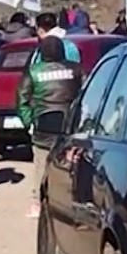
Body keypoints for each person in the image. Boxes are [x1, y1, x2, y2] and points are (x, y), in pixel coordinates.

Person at [17, 35, 83, 218]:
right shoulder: (76, 69)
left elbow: (22, 98)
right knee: (70, 166)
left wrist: (28, 121)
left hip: (43, 126)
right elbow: (85, 95)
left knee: (40, 166)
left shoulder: (33, 71)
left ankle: (37, 203)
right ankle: (72, 203)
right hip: (69, 126)